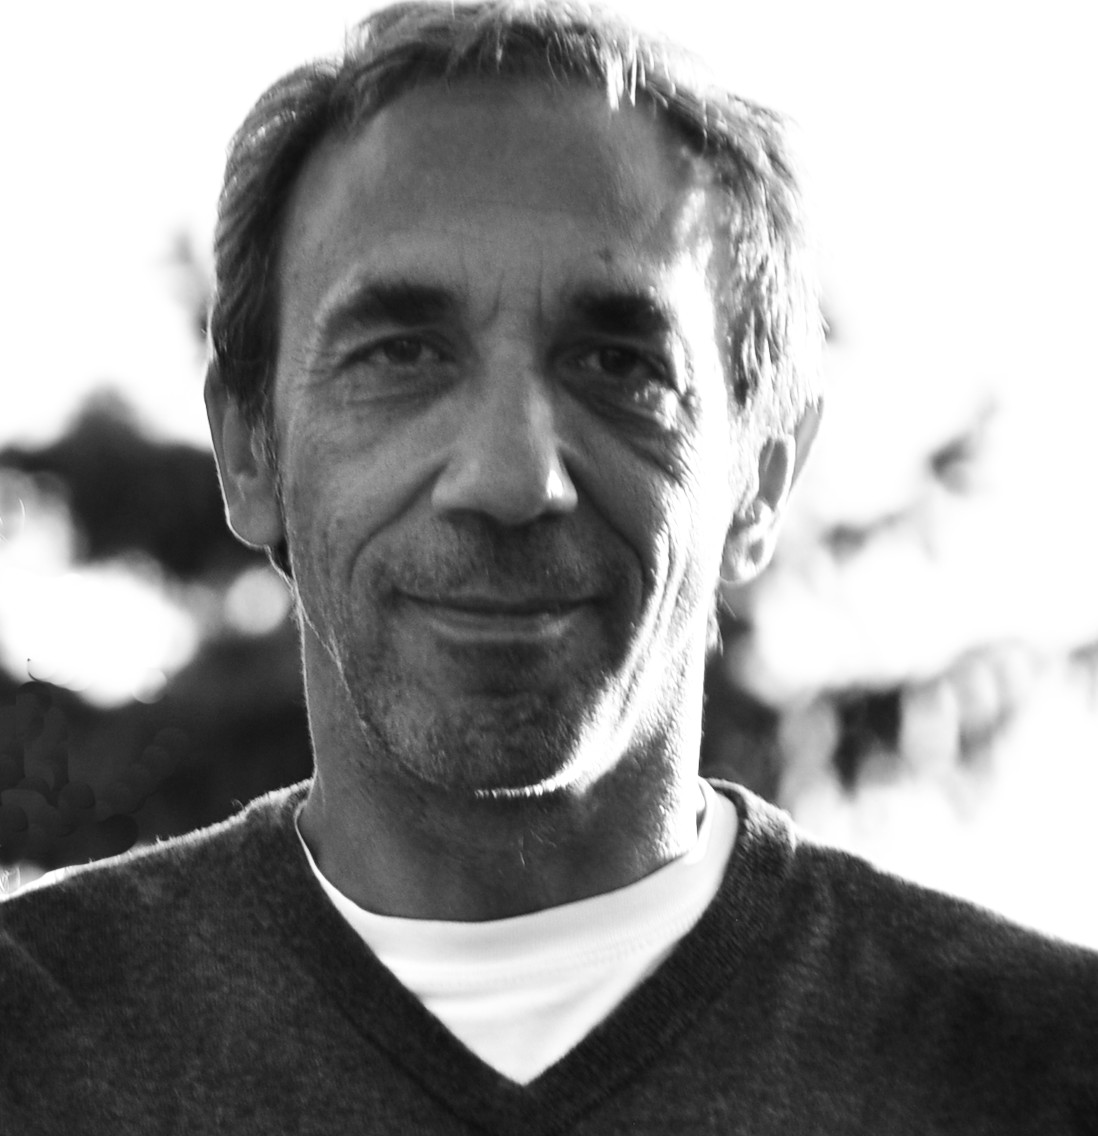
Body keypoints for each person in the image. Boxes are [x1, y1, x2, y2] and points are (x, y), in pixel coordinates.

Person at [2, 3, 1096, 1132]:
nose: (510, 477)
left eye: (620, 365)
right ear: (248, 451)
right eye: (401, 354)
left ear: (762, 475)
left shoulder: (1045, 1073)